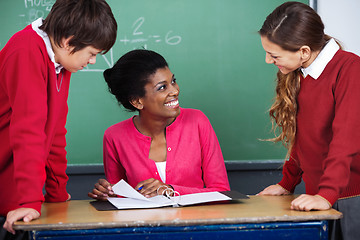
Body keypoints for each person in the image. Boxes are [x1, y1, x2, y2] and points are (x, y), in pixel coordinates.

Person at [0, 0, 117, 236]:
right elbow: (28, 131)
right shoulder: (26, 51)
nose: (93, 61)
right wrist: (30, 202)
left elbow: (54, 131)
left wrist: (57, 193)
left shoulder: (61, 62)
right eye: (92, 53)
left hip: (17, 190)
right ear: (68, 41)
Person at [257, 2, 360, 239]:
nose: (267, 60)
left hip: (350, 197)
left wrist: (326, 194)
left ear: (303, 51)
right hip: (321, 196)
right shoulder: (300, 73)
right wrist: (287, 182)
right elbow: (304, 136)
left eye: (273, 55)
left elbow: (346, 138)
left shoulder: (350, 69)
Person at [88, 49, 230, 200]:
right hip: (143, 223)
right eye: (162, 87)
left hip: (196, 221)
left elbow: (221, 191)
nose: (175, 91)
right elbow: (120, 197)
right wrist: (108, 194)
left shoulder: (197, 121)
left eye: (173, 81)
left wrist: (169, 190)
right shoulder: (114, 136)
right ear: (137, 101)